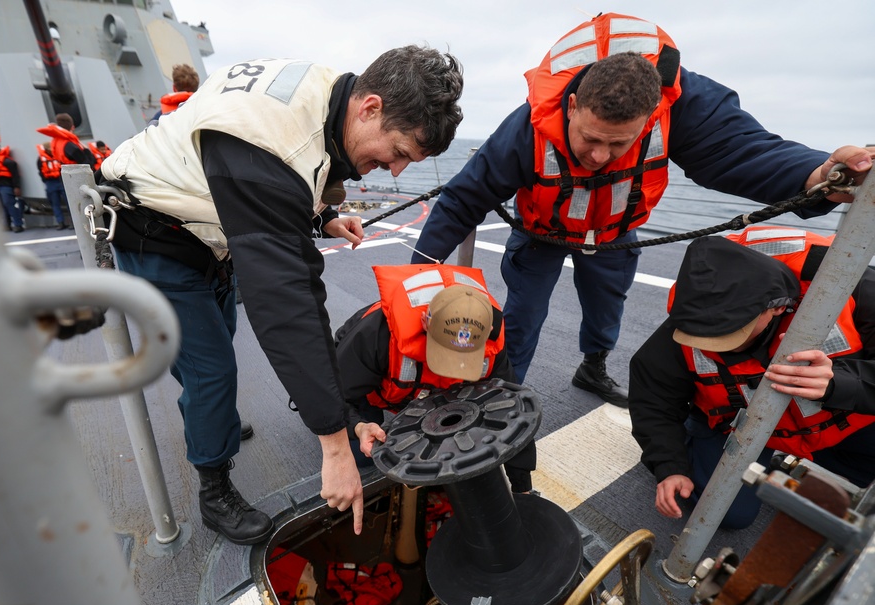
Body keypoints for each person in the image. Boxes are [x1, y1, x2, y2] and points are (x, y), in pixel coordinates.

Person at [410, 12, 874, 409]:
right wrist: (418, 284)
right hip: (541, 233)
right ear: (571, 107)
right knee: (524, 316)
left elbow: (740, 150)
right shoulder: (524, 129)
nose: (598, 156)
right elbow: (461, 201)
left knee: (606, 308)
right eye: (589, 139)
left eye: (618, 143)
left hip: (613, 234)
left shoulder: (679, 103)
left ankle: (593, 366)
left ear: (650, 118)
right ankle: (504, 396)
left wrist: (818, 177)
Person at [100, 46, 464, 544]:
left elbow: (292, 176)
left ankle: (214, 418)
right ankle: (213, 487)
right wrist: (335, 447)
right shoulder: (267, 144)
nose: (397, 170)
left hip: (211, 231)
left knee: (215, 348)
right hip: (158, 236)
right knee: (211, 371)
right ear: (371, 107)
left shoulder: (329, 89)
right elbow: (288, 306)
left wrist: (321, 217)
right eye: (399, 151)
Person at [629, 230, 875, 529]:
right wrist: (669, 466)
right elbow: (653, 401)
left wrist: (842, 383)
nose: (712, 346)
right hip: (738, 422)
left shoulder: (855, 288)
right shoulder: (692, 315)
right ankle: (694, 437)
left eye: (731, 336)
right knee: (728, 514)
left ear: (776, 308)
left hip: (840, 416)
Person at [334, 264, 536, 492]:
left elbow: (512, 413)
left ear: (488, 330)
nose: (452, 370)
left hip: (420, 390)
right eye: (445, 356)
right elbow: (332, 396)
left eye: (464, 357)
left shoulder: (488, 339)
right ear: (425, 322)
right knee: (367, 457)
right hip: (367, 381)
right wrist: (359, 427)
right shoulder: (375, 336)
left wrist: (523, 488)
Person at [0, 144, 24, 233]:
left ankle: (18, 225)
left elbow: (15, 176)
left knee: (10, 205)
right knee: (3, 207)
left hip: (7, 187)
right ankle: (8, 225)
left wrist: (16, 187)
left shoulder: (8, 162)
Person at [36, 141, 68, 230]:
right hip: (50, 183)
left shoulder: (58, 155)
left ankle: (74, 223)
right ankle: (60, 222)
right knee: (55, 203)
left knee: (68, 202)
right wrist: (45, 181)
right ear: (46, 149)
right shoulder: (40, 159)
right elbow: (40, 171)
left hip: (61, 181)